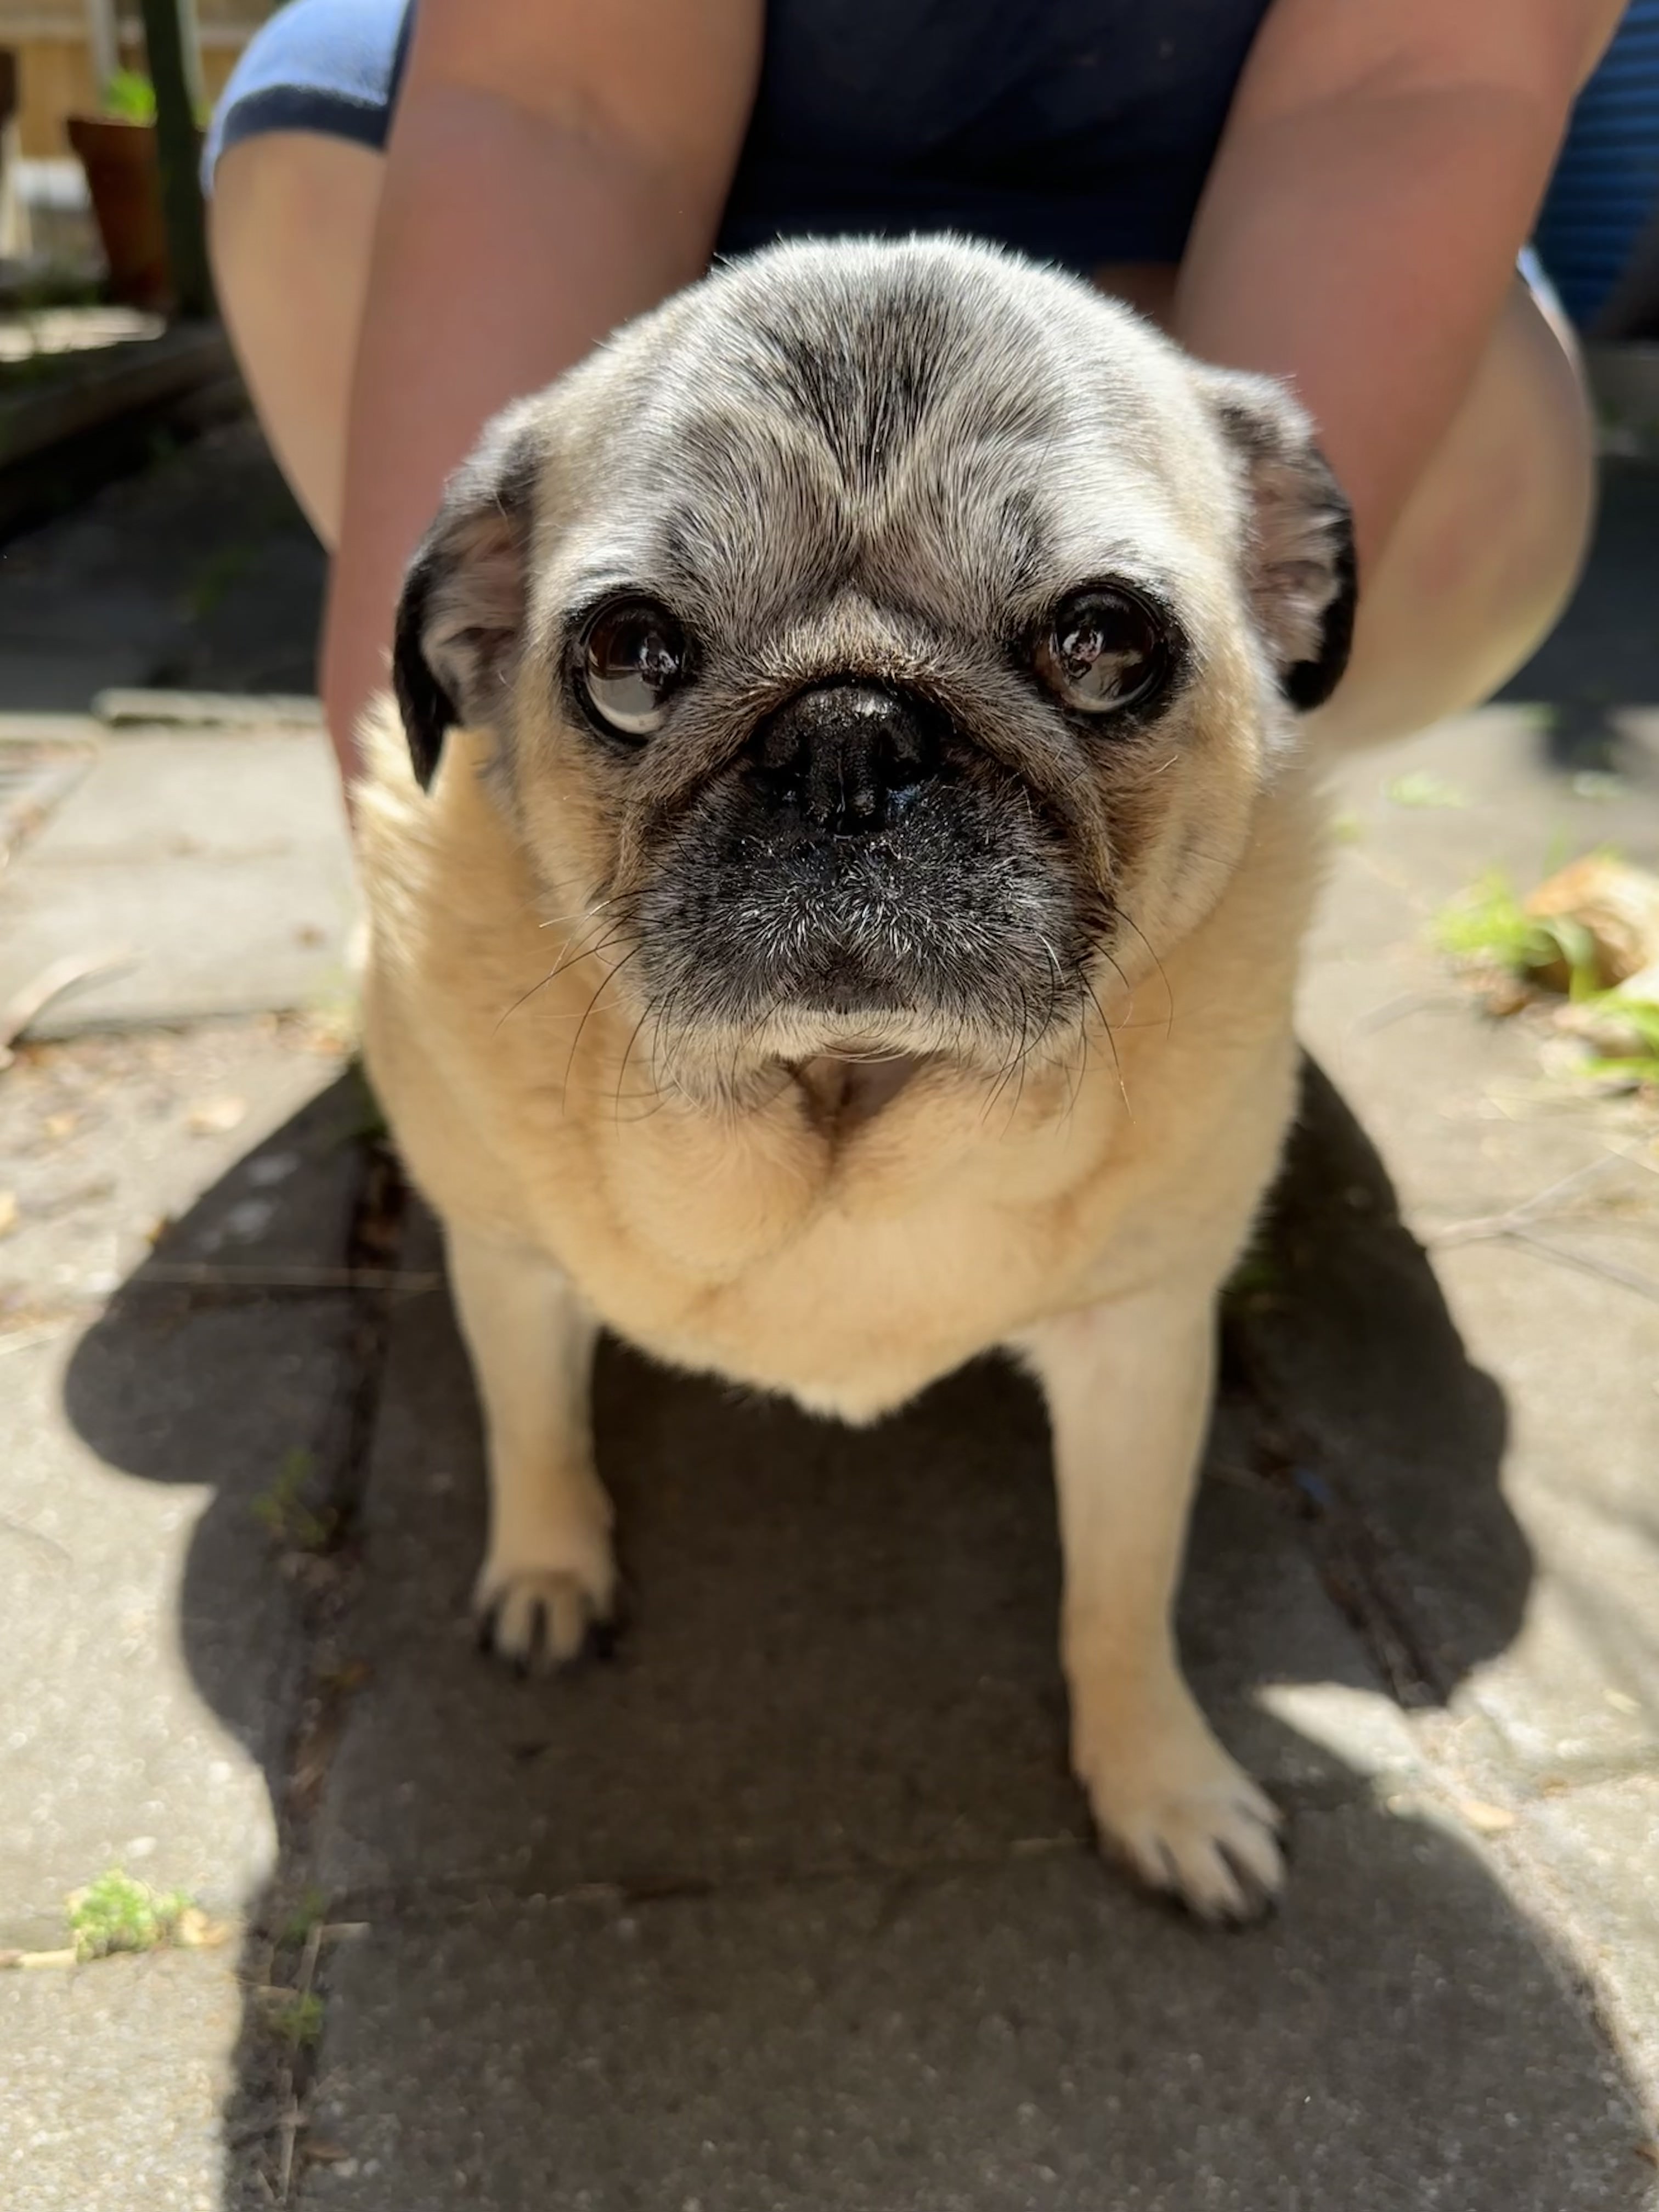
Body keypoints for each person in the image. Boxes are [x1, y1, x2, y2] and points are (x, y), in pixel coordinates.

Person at [205, 0, 1624, 788]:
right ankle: (569, 793)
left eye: (1094, 643)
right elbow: (565, 99)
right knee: (326, 189)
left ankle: (1158, 831)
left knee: (1464, 478)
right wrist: (429, 854)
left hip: (1206, 210)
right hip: (701, 178)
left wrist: (1215, 813)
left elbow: (1408, 84)